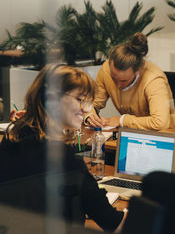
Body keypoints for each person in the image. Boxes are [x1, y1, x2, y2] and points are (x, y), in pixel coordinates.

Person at [0, 64, 125, 232]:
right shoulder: (65, 159)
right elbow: (113, 223)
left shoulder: (11, 138)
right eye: (79, 99)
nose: (86, 109)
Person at [85, 32, 175, 130]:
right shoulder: (106, 69)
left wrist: (121, 120)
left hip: (167, 136)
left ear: (138, 70)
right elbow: (92, 103)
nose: (118, 86)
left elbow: (160, 123)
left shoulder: (154, 80)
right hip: (131, 134)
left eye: (124, 81)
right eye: (113, 79)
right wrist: (89, 115)